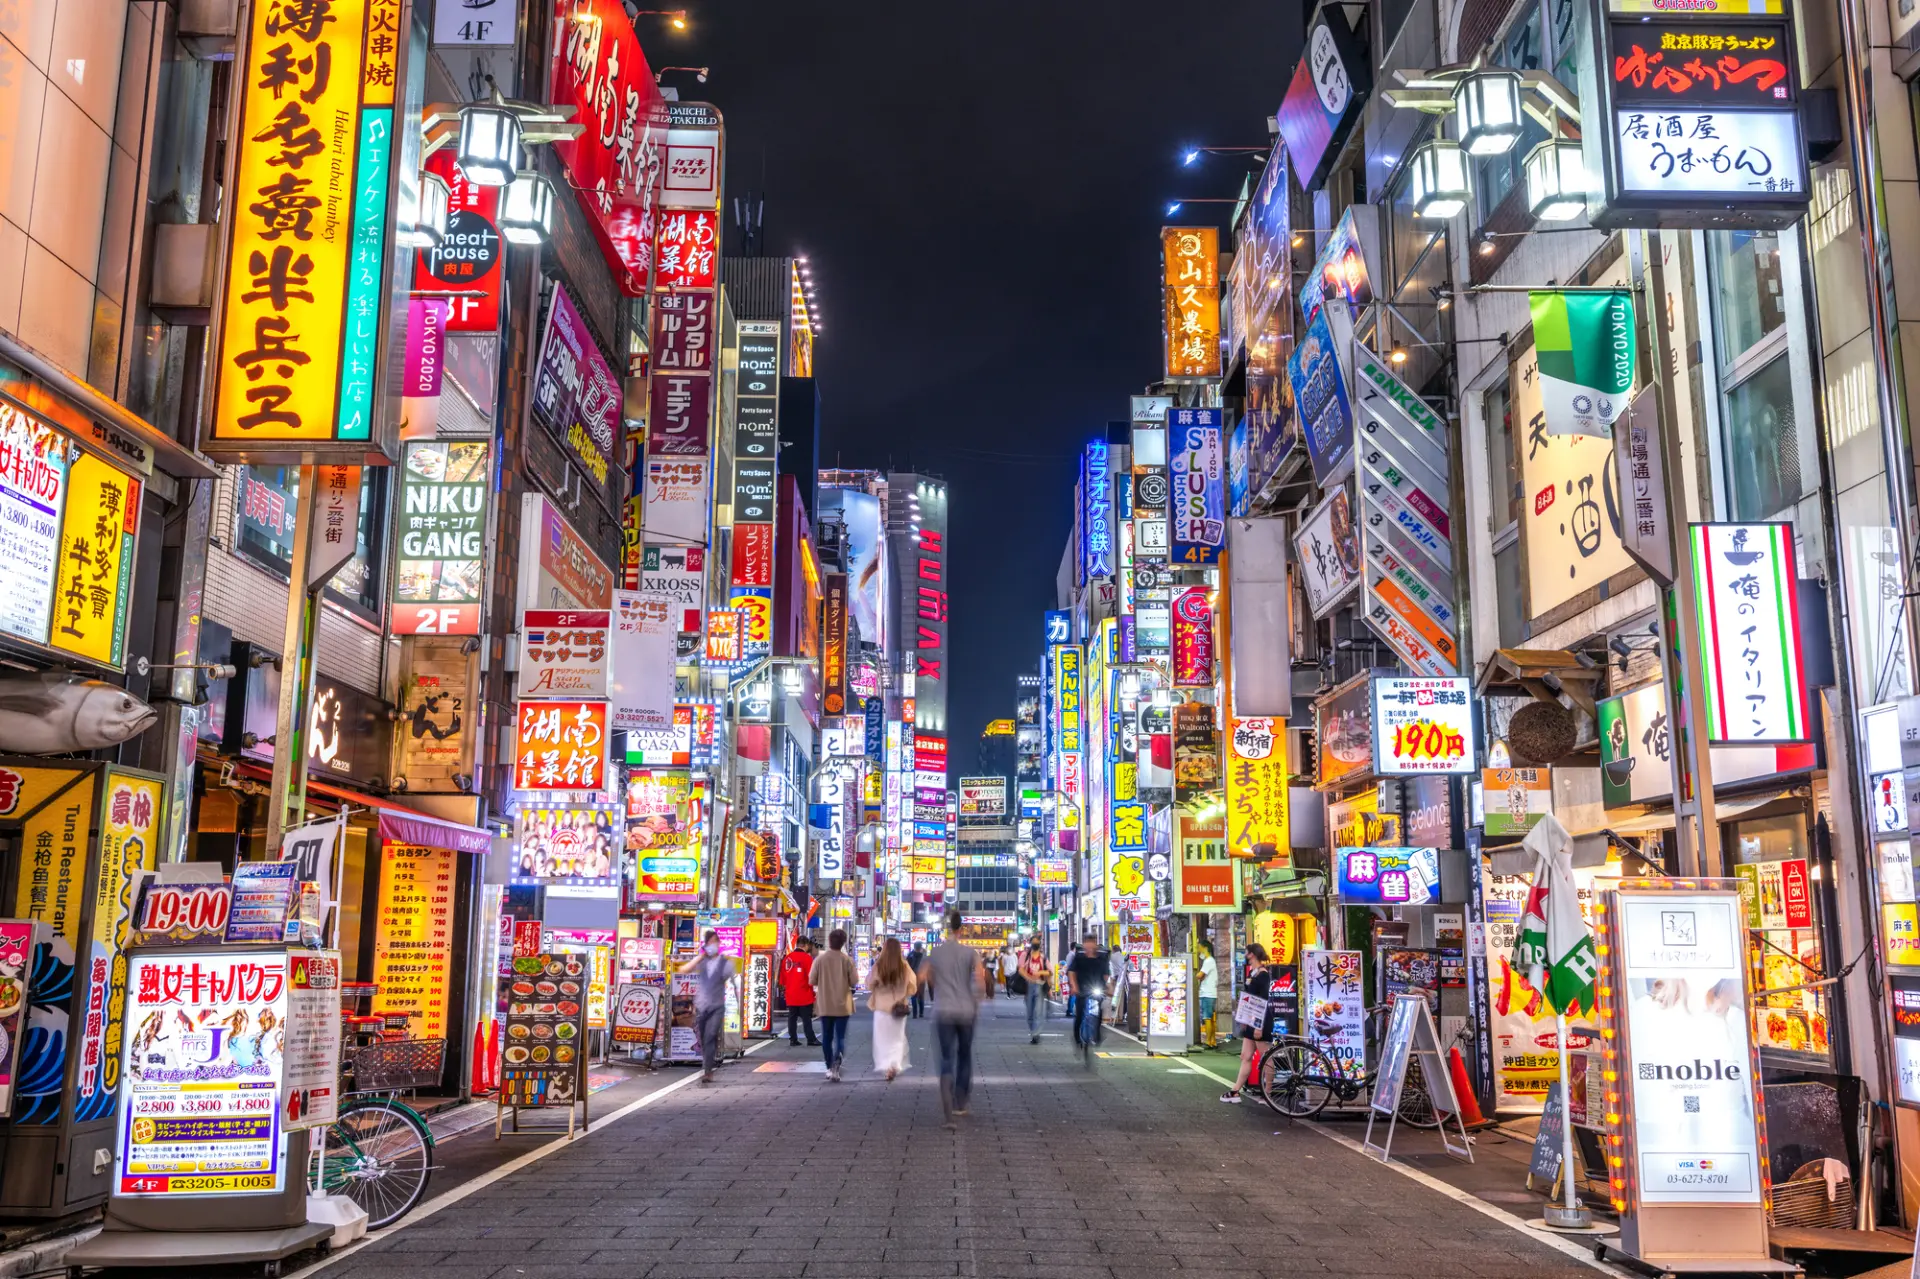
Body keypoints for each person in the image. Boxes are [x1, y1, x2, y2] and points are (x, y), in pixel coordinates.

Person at [924, 909, 987, 1123]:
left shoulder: (936, 952)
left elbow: (923, 975)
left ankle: (946, 1081)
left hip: (943, 1010)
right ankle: (961, 1100)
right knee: (964, 1054)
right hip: (966, 1010)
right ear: (961, 929)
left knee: (946, 1055)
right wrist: (977, 1001)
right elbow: (980, 981)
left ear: (946, 928)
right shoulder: (970, 953)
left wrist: (937, 986)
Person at [676, 930, 735, 1084]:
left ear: (719, 943)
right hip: (701, 1006)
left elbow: (731, 978)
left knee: (710, 1035)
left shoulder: (725, 963)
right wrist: (700, 956)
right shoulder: (701, 962)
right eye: (709, 942)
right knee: (703, 1038)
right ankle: (708, 1064)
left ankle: (707, 1071)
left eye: (715, 941)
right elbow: (683, 970)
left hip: (717, 1006)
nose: (712, 945)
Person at [1222, 943, 1274, 1103]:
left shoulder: (1263, 974)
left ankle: (1268, 1092)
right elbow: (1249, 998)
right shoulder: (1252, 972)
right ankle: (1235, 1091)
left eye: (1246, 952)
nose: (1244, 955)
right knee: (1245, 1056)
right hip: (1250, 1019)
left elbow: (1262, 1000)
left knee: (1266, 1057)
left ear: (1252, 954)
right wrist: (1244, 1018)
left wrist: (1259, 1025)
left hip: (1261, 1020)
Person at [808, 929, 857, 1081]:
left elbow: (812, 980)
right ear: (843, 943)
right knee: (840, 1037)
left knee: (827, 1037)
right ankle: (837, 1060)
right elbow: (854, 981)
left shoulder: (820, 960)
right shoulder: (847, 960)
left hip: (825, 1003)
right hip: (842, 1004)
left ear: (829, 941)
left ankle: (829, 1067)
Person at [867, 937, 918, 1080]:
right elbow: (913, 987)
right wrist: (904, 993)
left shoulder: (879, 965)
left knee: (882, 1039)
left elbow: (869, 983)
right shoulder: (904, 966)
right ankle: (894, 1064)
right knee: (897, 1038)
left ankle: (886, 1065)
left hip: (881, 1008)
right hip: (898, 1009)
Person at [1064, 934, 1111, 1052]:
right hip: (1082, 989)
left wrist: (1108, 987)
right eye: (1087, 942)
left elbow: (1106, 974)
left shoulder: (1102, 957)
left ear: (1095, 943)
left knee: (1099, 1012)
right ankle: (1077, 1038)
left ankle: (1097, 1035)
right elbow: (1071, 972)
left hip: (1097, 988)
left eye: (1092, 942)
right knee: (1080, 1013)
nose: (1090, 945)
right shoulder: (1079, 957)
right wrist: (1074, 986)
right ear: (1084, 944)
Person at [780, 938, 819, 1047]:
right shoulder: (807, 958)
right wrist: (814, 991)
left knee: (792, 1017)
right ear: (806, 945)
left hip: (791, 993)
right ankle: (811, 1039)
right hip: (804, 994)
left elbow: (782, 979)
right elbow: (811, 978)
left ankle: (793, 1039)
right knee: (806, 1018)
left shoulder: (787, 958)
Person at [1019, 939, 1052, 1044]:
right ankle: (1033, 1031)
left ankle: (1035, 1034)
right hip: (1028, 986)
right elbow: (1020, 969)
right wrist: (1028, 978)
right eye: (1034, 943)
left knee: (1038, 1012)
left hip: (1040, 985)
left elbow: (1050, 972)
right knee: (1029, 1013)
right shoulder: (1025, 955)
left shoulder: (1043, 957)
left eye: (1037, 943)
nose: (1036, 945)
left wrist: (1040, 972)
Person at [1195, 940, 1219, 1050]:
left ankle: (1208, 1041)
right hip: (1210, 993)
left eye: (1199, 948)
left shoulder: (1209, 961)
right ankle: (1212, 1041)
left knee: (1207, 1018)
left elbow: (1200, 975)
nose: (1198, 950)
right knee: (1210, 1018)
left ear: (1205, 948)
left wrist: (1195, 974)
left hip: (1207, 993)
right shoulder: (1210, 961)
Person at [906, 943, 928, 1017]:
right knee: (921, 995)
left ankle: (915, 1014)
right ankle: (921, 1013)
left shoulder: (910, 955)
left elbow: (907, 967)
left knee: (913, 995)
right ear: (920, 947)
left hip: (913, 977)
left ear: (914, 947)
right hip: (921, 977)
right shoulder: (924, 956)